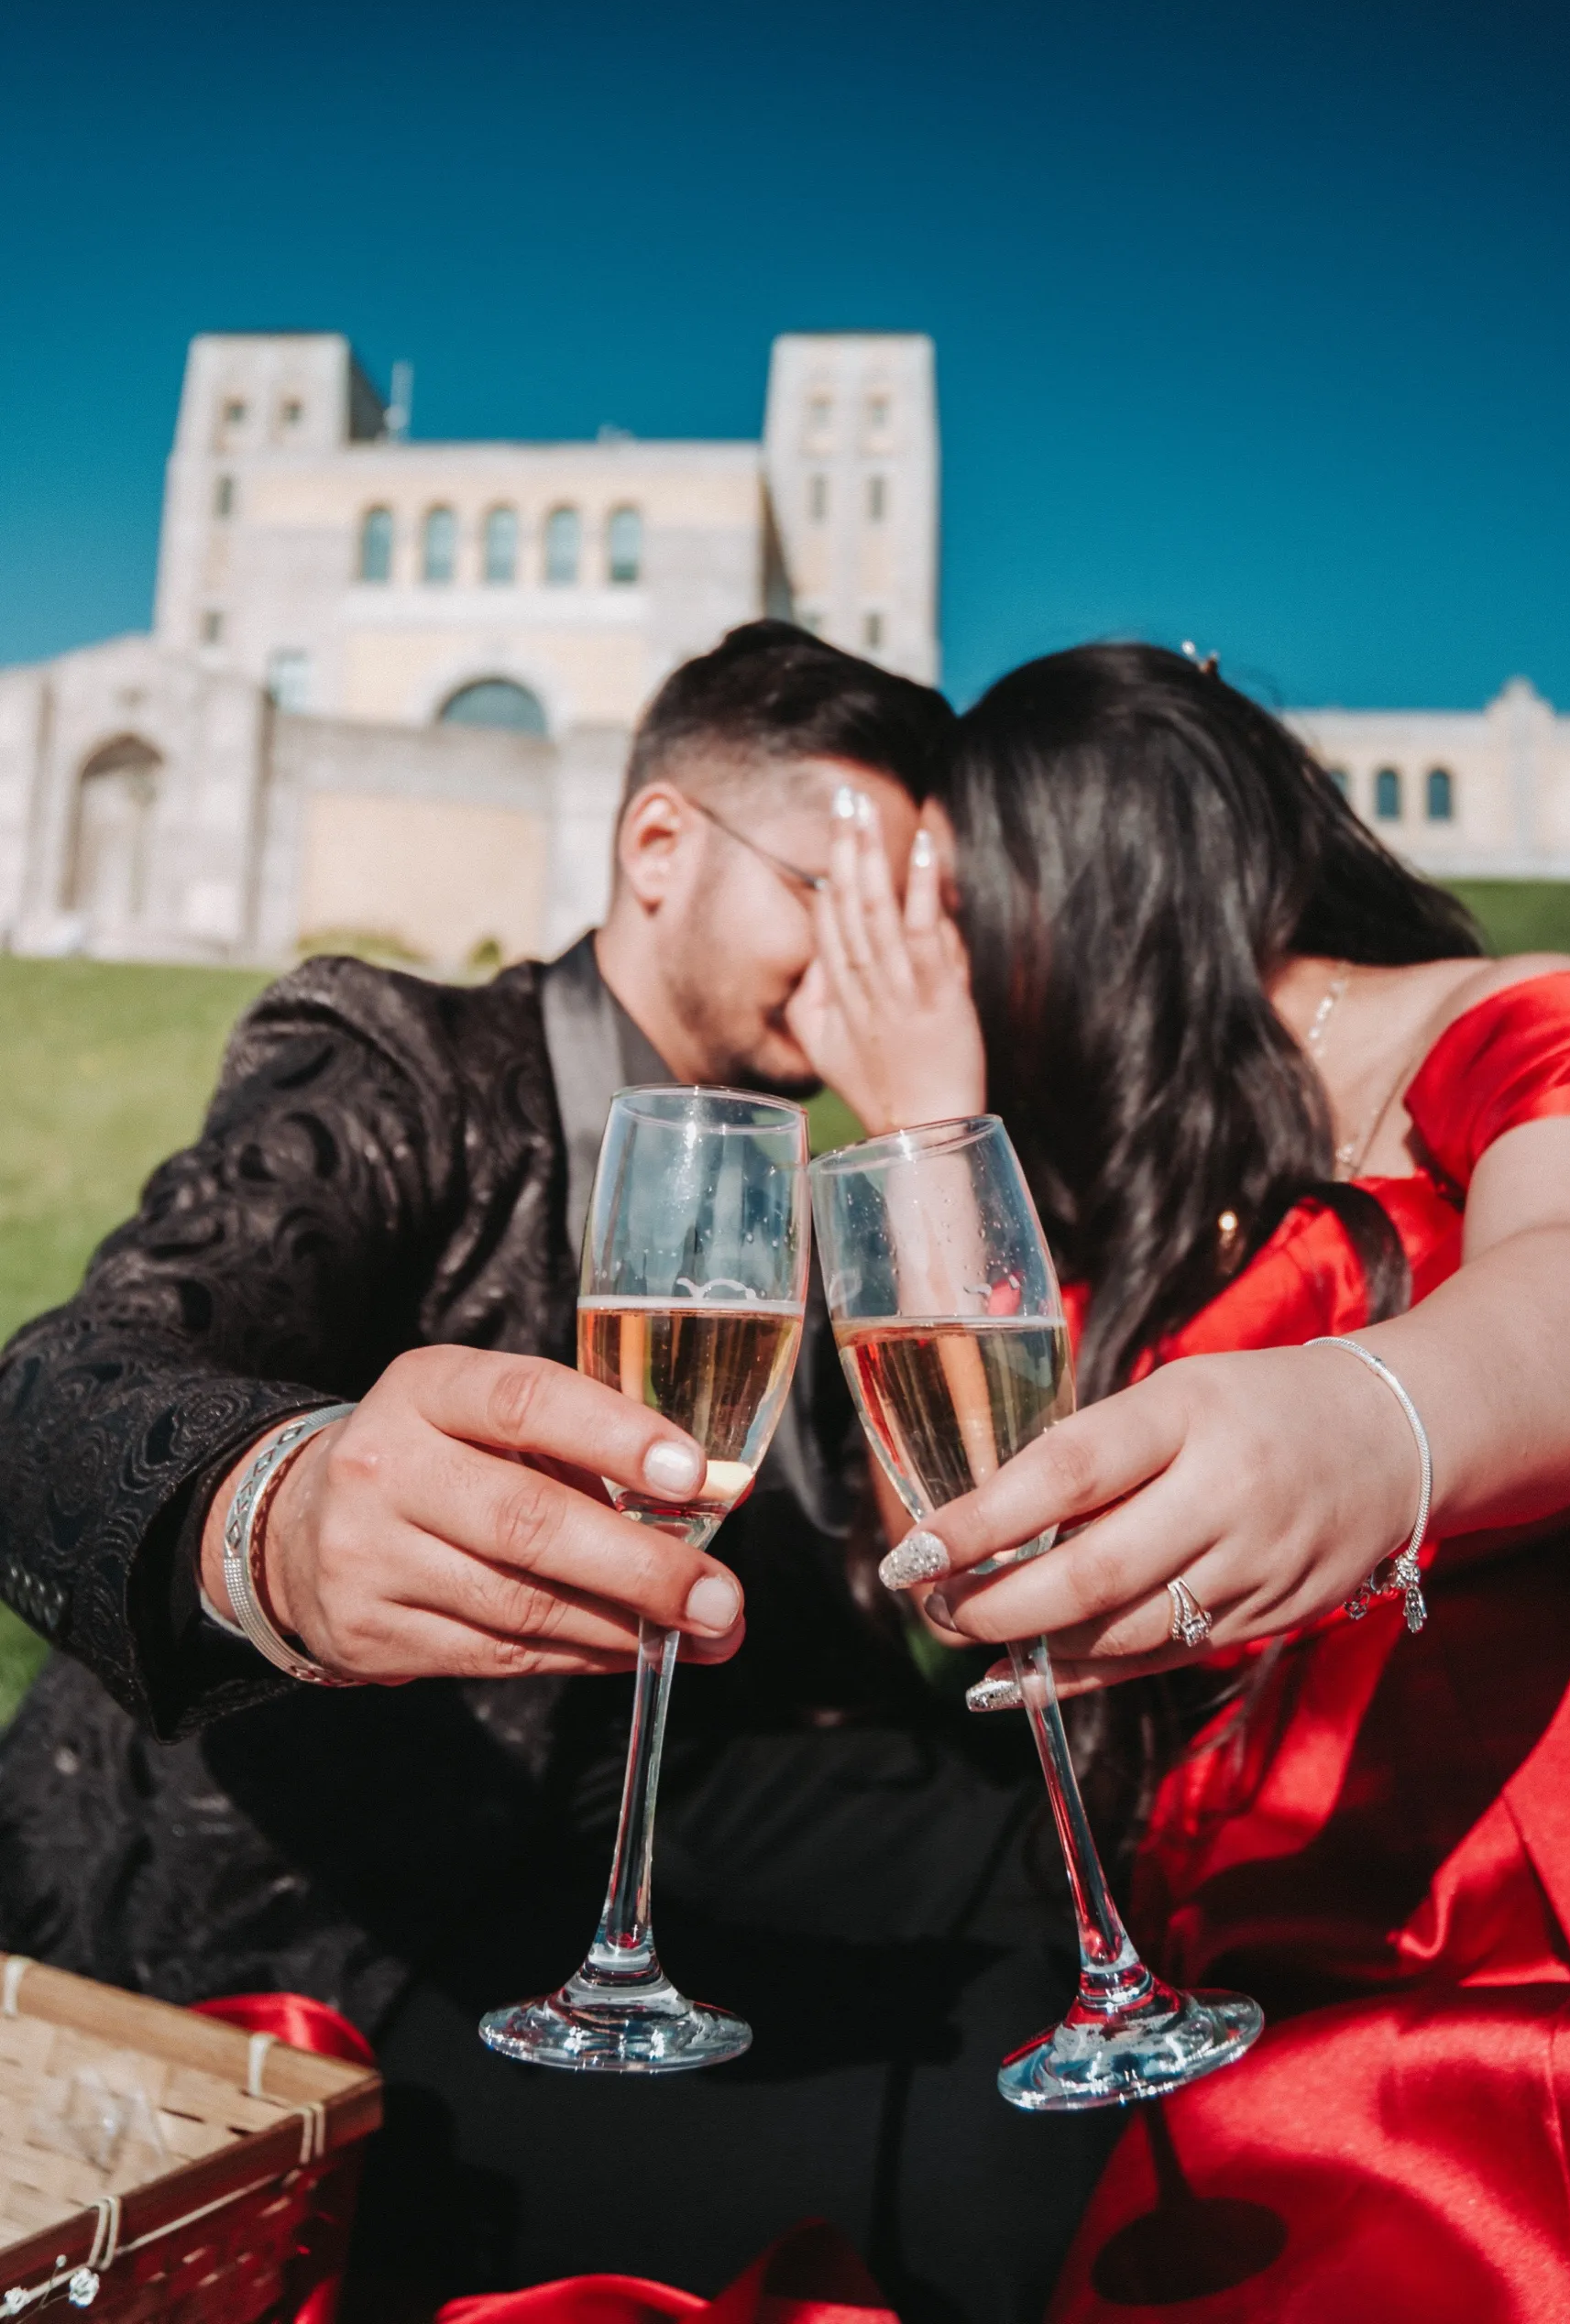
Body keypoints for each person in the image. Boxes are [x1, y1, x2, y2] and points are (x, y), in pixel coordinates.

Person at [0, 625, 1126, 2324]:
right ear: (661, 851)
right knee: (994, 2167)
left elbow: (943, 1563)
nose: (894, 961)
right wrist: (278, 1514)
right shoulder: (398, 1067)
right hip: (338, 1915)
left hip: (666, 1812)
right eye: (850, 891)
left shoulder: (791, 1182)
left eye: (927, 917)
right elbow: (59, 1387)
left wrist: (930, 1139)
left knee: (1080, 1913)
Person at [793, 640, 1570, 2319]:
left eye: (952, 919)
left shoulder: (1529, 1027)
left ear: (1080, 876)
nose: (931, 980)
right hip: (1250, 1943)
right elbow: (955, 1531)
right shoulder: (1130, 1188)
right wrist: (934, 1127)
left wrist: (1361, 1422)